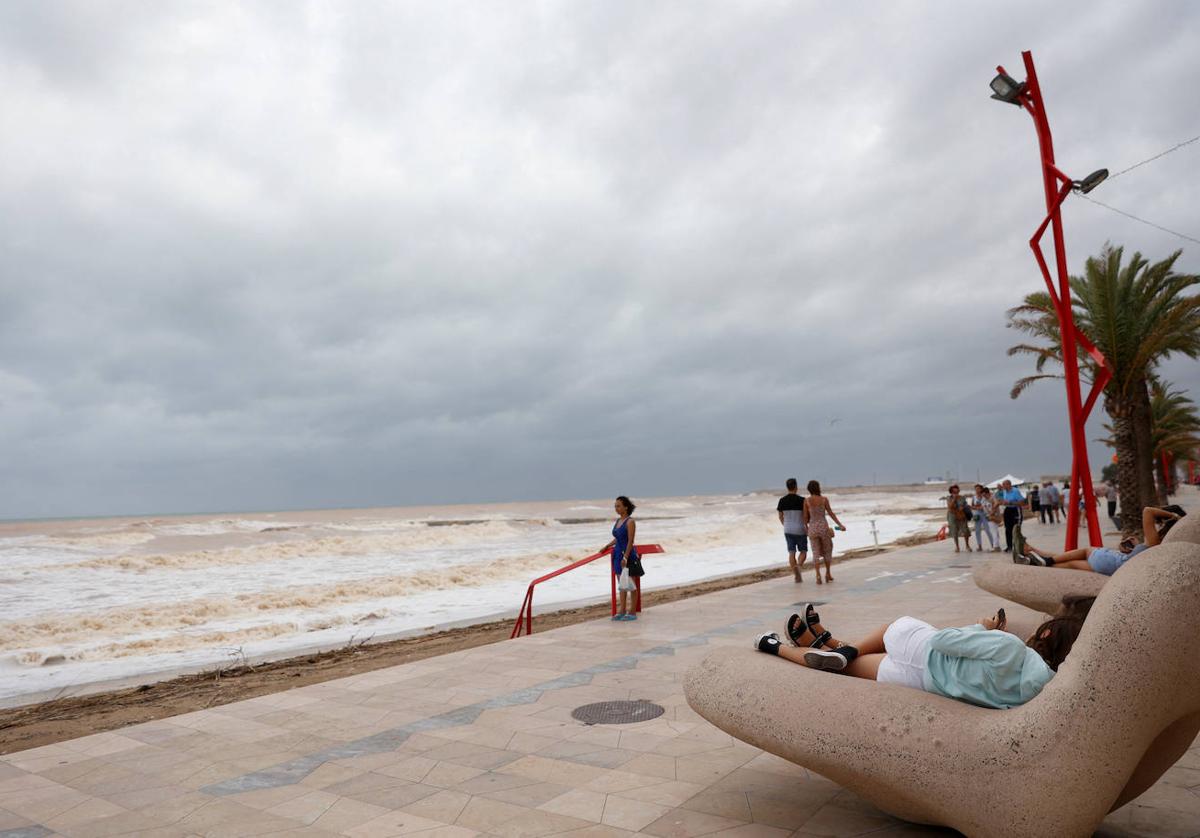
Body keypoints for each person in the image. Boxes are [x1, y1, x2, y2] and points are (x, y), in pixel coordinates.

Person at [752, 603, 1084, 710]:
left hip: (925, 655)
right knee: (845, 669)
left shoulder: (1010, 647)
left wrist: (984, 630)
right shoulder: (1038, 688)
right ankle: (775, 645)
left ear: (1045, 634)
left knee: (897, 626)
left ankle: (842, 647)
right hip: (925, 684)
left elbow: (943, 641)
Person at [1016, 505, 1185, 574]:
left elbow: (1148, 510)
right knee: (1069, 563)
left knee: (1085, 550)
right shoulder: (1162, 544)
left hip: (1110, 561)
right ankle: (1033, 557)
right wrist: (1132, 548)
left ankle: (1042, 557)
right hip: (1112, 568)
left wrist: (1173, 516)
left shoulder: (1155, 541)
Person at [601, 496, 639, 620]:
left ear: (626, 507)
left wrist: (626, 557)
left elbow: (630, 541)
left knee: (631, 585)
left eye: (618, 506)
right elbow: (618, 538)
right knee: (622, 585)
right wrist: (607, 545)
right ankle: (622, 610)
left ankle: (632, 612)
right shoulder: (618, 521)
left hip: (627, 555)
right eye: (615, 506)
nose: (616, 508)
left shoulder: (630, 522)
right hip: (617, 555)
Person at [803, 480, 845, 585]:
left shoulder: (806, 501)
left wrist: (806, 529)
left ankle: (817, 575)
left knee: (815, 553)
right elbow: (831, 513)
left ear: (809, 489)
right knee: (827, 550)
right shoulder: (824, 499)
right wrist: (840, 525)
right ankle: (828, 573)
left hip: (812, 528)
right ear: (818, 488)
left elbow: (804, 518)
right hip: (823, 528)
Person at [777, 479, 808, 583]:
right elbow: (805, 516)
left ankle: (796, 574)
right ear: (796, 486)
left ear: (787, 487)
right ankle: (798, 567)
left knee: (791, 552)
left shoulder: (782, 500)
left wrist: (785, 525)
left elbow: (780, 516)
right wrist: (807, 526)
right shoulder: (802, 500)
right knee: (803, 551)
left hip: (788, 529)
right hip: (800, 529)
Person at [995, 479, 1026, 552]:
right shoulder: (1004, 491)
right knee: (1007, 529)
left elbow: (1021, 503)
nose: (1003, 486)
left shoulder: (1015, 491)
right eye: (1002, 485)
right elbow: (1004, 501)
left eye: (1004, 485)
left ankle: (1018, 546)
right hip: (1008, 510)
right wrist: (1002, 502)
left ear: (1009, 485)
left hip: (1016, 510)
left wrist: (1010, 502)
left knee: (1016, 529)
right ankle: (1009, 547)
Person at [972, 484, 1000, 552]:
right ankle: (995, 546)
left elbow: (996, 503)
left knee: (991, 531)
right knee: (991, 531)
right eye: (976, 489)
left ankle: (994, 546)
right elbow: (982, 506)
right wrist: (974, 507)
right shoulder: (980, 498)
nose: (977, 490)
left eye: (978, 489)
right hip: (983, 516)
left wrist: (992, 510)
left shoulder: (991, 497)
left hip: (990, 516)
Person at [945, 485, 973, 553]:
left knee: (965, 530)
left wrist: (963, 507)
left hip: (961, 515)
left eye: (957, 491)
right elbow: (950, 506)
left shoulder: (962, 497)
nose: (956, 493)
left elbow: (964, 505)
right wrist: (954, 499)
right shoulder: (949, 498)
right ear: (951, 492)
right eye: (954, 492)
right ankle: (957, 547)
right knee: (954, 531)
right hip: (952, 515)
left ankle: (967, 545)